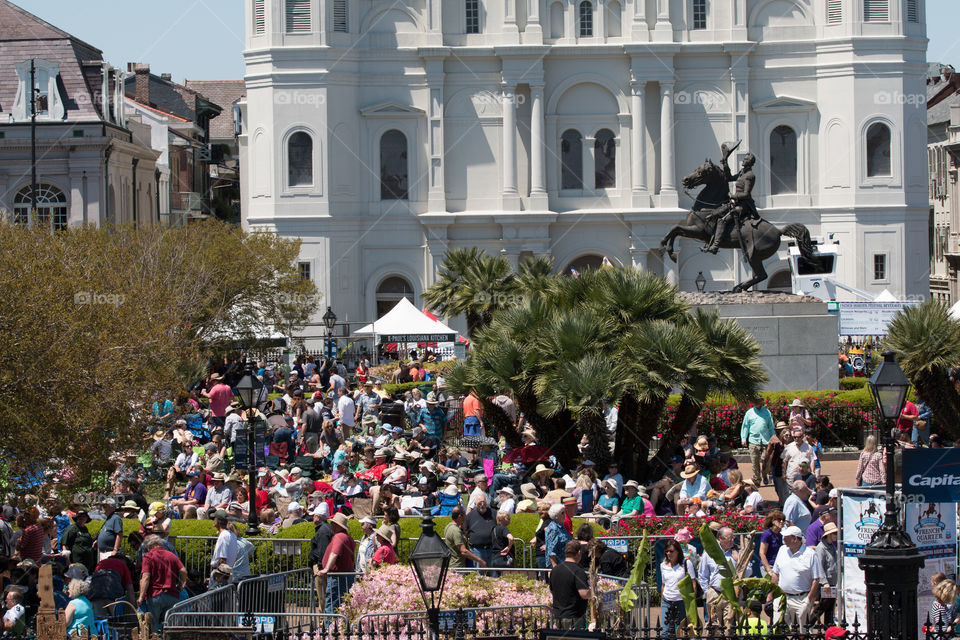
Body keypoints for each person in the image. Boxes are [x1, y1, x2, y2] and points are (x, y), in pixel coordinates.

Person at [770, 525, 823, 631]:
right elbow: (775, 574)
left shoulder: (810, 554)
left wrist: (808, 599)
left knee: (803, 631)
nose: (783, 539)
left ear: (795, 539)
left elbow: (816, 579)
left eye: (786, 537)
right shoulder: (782, 550)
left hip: (801, 598)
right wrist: (770, 595)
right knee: (778, 628)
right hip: (782, 597)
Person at [138, 535, 187, 631]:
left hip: (155, 596)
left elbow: (146, 577)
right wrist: (181, 585)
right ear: (159, 543)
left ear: (148, 546)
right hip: (172, 596)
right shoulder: (171, 555)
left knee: (153, 625)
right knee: (169, 625)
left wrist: (141, 596)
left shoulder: (148, 557)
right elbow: (183, 571)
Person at [697, 526, 740, 629]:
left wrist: (738, 560)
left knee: (729, 627)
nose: (732, 540)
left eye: (733, 537)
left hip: (731, 594)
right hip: (714, 593)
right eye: (730, 538)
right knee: (714, 627)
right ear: (721, 538)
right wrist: (707, 591)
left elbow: (748, 572)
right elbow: (702, 574)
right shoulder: (710, 553)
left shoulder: (736, 552)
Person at [318, 513, 356, 613]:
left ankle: (330, 628)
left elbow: (334, 554)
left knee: (332, 604)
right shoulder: (348, 537)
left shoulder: (339, 537)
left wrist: (326, 568)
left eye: (333, 524)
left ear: (337, 525)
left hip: (338, 577)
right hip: (346, 575)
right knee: (343, 604)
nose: (331, 526)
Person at [549, 540, 590, 630]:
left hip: (558, 616)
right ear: (579, 552)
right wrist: (593, 593)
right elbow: (584, 594)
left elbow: (551, 590)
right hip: (574, 617)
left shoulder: (555, 570)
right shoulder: (578, 571)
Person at [661, 539, 695, 640]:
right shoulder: (663, 565)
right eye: (667, 551)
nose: (668, 554)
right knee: (664, 632)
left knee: (680, 632)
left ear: (678, 552)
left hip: (681, 601)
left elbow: (693, 582)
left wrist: (691, 601)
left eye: (671, 551)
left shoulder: (686, 564)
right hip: (667, 600)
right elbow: (664, 584)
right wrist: (661, 601)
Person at [741, 398, 775, 486]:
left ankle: (764, 475)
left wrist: (773, 437)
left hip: (765, 440)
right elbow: (745, 426)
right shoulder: (749, 413)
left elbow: (771, 426)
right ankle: (757, 479)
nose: (757, 403)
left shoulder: (767, 412)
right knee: (754, 461)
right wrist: (743, 438)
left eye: (758, 401)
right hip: (753, 440)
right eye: (755, 401)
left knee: (766, 460)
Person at [812, 522, 838, 625]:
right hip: (825, 584)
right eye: (834, 533)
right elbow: (819, 566)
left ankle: (828, 627)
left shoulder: (831, 547)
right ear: (829, 535)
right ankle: (809, 624)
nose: (836, 535)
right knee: (822, 606)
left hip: (832, 582)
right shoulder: (821, 548)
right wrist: (824, 582)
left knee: (830, 608)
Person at [309, 504, 333, 607]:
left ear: (318, 517)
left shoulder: (323, 531)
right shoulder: (324, 528)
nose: (312, 517)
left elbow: (323, 551)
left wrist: (321, 568)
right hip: (322, 567)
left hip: (321, 568)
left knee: (322, 595)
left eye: (314, 516)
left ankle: (324, 620)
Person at [61, 510, 96, 575]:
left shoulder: (85, 529)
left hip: (88, 560)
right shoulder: (72, 528)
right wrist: (67, 560)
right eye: (80, 517)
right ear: (76, 518)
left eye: (84, 517)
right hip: (77, 561)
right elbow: (64, 543)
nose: (82, 518)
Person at [465, 495, 496, 568]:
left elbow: (500, 528)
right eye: (479, 503)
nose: (482, 505)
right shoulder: (470, 516)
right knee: (479, 576)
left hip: (492, 550)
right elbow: (464, 532)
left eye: (484, 503)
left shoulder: (494, 513)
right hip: (477, 551)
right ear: (475, 505)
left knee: (495, 575)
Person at [210, 511, 238, 584]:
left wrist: (219, 577)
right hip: (227, 572)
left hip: (222, 575)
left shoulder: (224, 536)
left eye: (214, 519)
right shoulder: (232, 535)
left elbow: (223, 559)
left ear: (217, 521)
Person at [544, 504, 572, 568]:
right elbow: (551, 550)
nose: (565, 514)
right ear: (556, 515)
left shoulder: (561, 526)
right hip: (557, 565)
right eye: (562, 512)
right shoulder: (553, 528)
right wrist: (554, 566)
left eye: (565, 512)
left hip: (564, 563)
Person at [759, 510, 785, 576]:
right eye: (779, 519)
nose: (782, 522)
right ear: (773, 521)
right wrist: (769, 570)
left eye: (783, 520)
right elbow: (762, 553)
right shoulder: (767, 534)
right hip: (768, 566)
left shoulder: (780, 535)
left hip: (777, 566)